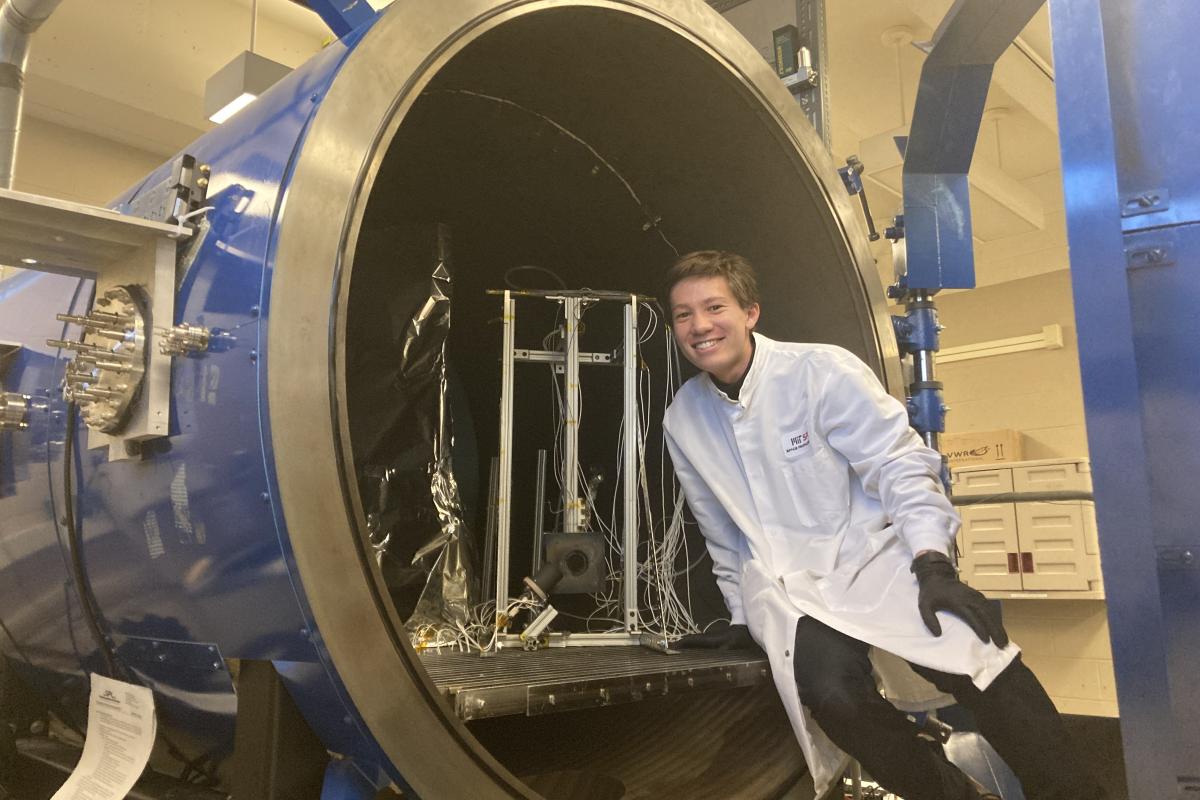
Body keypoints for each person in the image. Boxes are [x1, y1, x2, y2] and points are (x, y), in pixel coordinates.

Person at [662, 251, 1102, 800]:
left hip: (872, 562)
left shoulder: (819, 372)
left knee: (983, 662)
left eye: (714, 307)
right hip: (789, 590)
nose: (700, 326)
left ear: (750, 312)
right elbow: (721, 530)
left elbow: (899, 464)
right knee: (834, 695)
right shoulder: (684, 416)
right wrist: (738, 613)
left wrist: (933, 561)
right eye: (684, 315)